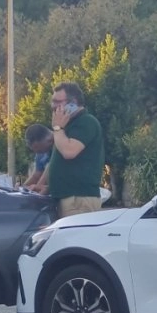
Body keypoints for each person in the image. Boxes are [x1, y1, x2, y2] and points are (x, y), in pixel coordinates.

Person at [47, 82, 104, 218]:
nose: (53, 106)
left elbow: (69, 152)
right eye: (52, 101)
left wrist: (57, 128)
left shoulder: (86, 122)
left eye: (57, 102)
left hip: (79, 200)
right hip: (69, 199)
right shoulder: (67, 125)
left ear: (73, 103)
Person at [23, 124, 53, 195]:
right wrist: (22, 188)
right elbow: (36, 175)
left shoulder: (59, 146)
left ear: (49, 140)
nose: (37, 152)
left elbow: (49, 169)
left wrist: (37, 188)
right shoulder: (40, 152)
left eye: (39, 150)